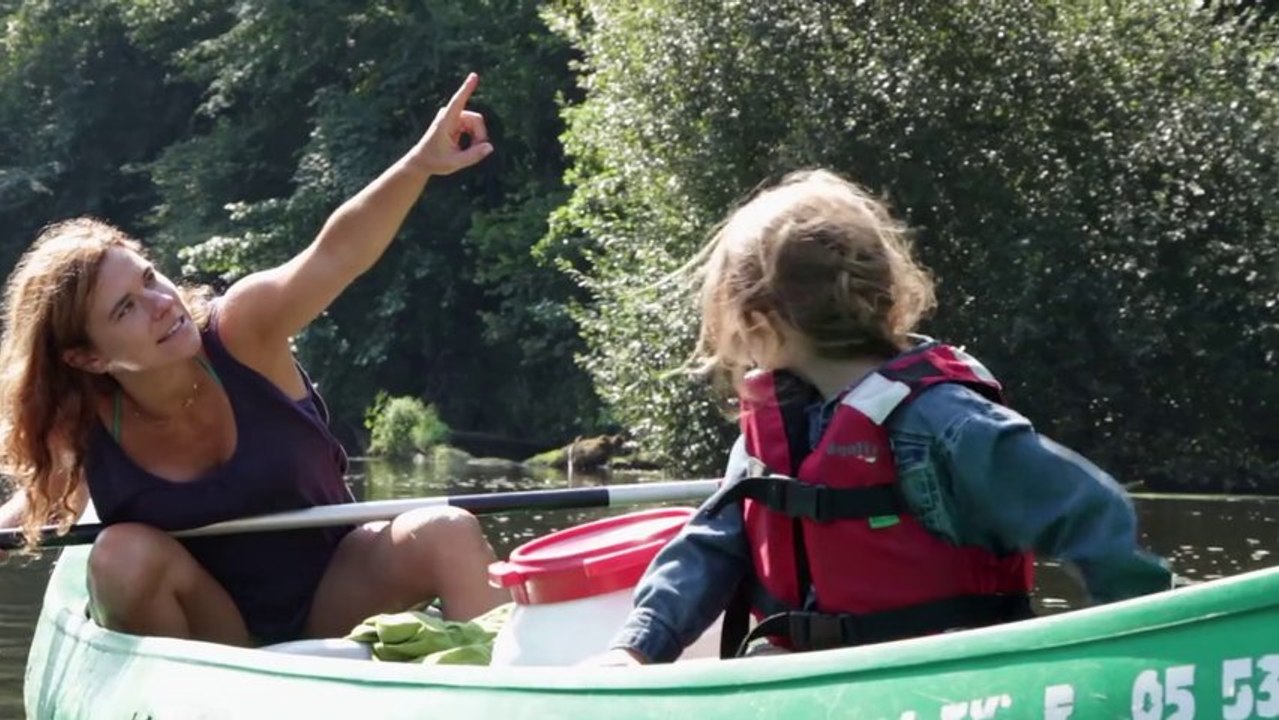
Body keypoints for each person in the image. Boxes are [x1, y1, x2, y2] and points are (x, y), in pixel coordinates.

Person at [0, 73, 509, 646]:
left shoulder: (243, 328)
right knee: (118, 557)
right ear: (88, 358)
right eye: (125, 309)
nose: (162, 304)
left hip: (336, 593)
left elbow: (335, 255)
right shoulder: (85, 422)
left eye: (150, 278)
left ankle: (517, 693)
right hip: (212, 636)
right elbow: (34, 505)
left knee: (446, 529)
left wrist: (419, 165)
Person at [598, 169, 1172, 665]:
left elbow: (1083, 510)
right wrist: (638, 647)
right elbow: (711, 547)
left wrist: (1153, 632)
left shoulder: (942, 420)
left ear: (758, 318)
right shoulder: (769, 436)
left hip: (946, 678)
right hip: (807, 681)